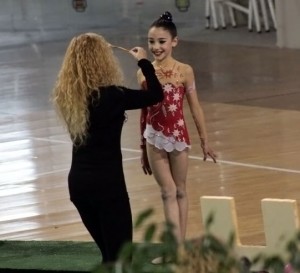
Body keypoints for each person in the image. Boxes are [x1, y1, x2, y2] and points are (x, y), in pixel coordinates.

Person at [51, 32, 164, 263]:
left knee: (108, 257)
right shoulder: (113, 96)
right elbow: (155, 94)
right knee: (121, 260)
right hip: (108, 186)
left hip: (79, 186)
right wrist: (143, 61)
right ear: (102, 60)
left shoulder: (68, 96)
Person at [138, 11, 217, 262]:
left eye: (161, 41)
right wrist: (142, 147)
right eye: (151, 42)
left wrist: (205, 140)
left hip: (179, 136)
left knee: (181, 190)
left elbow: (195, 107)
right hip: (154, 137)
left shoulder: (185, 71)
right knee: (167, 191)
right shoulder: (144, 71)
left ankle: (180, 249)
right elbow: (143, 110)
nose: (155, 47)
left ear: (174, 42)